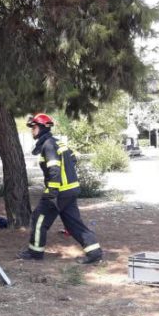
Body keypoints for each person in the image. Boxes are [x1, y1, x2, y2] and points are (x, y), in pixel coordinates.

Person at [17, 113, 103, 264]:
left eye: (34, 127)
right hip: (71, 190)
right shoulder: (58, 143)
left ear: (42, 128)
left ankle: (35, 253)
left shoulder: (48, 145)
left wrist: (51, 192)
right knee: (73, 223)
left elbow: (54, 170)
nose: (32, 131)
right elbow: (73, 158)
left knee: (39, 219)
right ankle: (94, 252)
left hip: (59, 192)